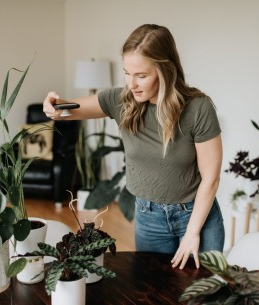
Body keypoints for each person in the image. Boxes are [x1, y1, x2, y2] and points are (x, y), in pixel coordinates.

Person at [43, 24, 225, 269]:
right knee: (153, 292)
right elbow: (67, 110)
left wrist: (193, 232)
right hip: (149, 218)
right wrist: (53, 107)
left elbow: (211, 178)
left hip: (196, 216)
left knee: (199, 293)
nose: (132, 84)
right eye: (127, 73)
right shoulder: (122, 101)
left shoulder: (198, 108)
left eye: (141, 75)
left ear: (165, 70)